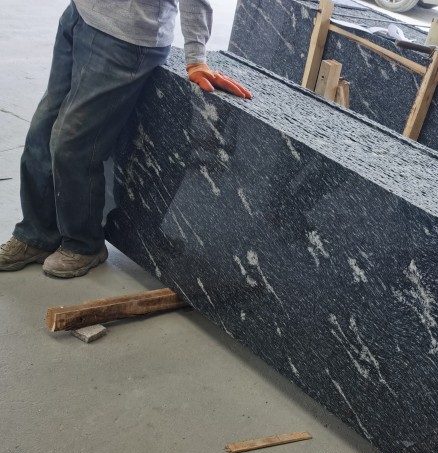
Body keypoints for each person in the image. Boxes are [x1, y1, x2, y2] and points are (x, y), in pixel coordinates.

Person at [0, 1, 251, 279]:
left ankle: (83, 245)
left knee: (71, 143)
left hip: (125, 36)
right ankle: (36, 235)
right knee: (42, 131)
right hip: (80, 14)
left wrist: (196, 56)